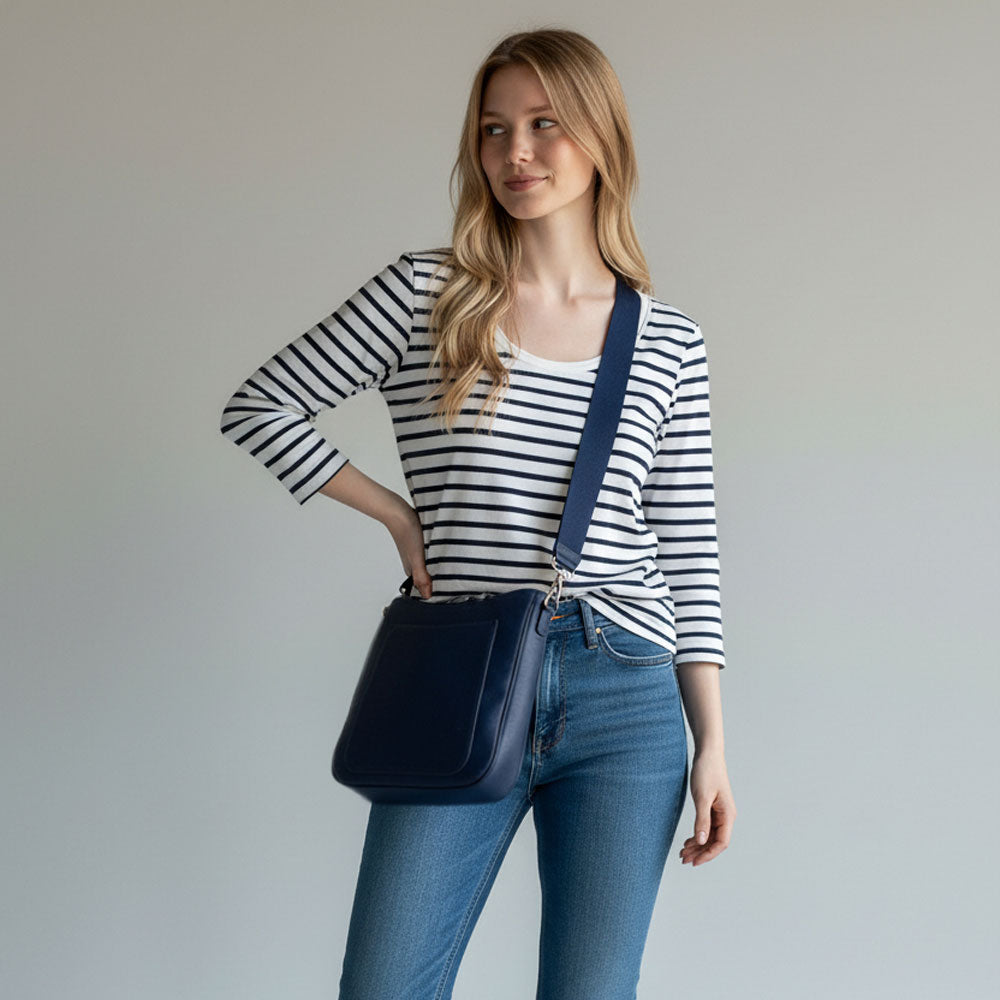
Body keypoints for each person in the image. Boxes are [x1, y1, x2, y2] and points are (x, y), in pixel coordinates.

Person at [219, 26, 736, 1000]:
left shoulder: (666, 342)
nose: (517, 153)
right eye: (494, 130)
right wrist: (396, 517)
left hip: (624, 687)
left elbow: (689, 548)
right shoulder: (427, 295)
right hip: (464, 672)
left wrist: (710, 741)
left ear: (601, 139)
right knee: (385, 985)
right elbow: (259, 404)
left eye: (545, 124)